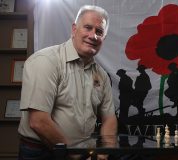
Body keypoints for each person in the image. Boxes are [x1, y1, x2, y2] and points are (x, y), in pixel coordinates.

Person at [18, 5, 117, 160]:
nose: (93, 36)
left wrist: (106, 151)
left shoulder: (101, 75)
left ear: (104, 38)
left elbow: (109, 118)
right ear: (74, 29)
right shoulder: (46, 61)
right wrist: (75, 155)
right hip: (43, 153)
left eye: (99, 32)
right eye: (88, 28)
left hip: (85, 153)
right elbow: (38, 121)